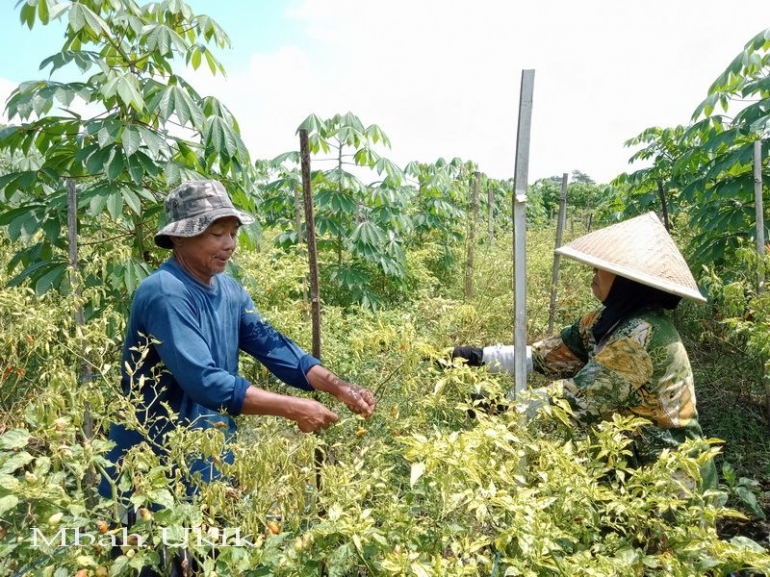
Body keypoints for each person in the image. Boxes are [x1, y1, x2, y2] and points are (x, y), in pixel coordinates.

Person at [100, 180, 376, 503]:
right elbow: (205, 382)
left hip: (209, 467)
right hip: (150, 475)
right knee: (156, 552)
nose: (229, 244)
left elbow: (273, 347)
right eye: (217, 234)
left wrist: (338, 386)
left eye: (233, 233)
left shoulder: (230, 290)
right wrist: (294, 408)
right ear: (179, 237)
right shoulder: (165, 292)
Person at [452, 212, 716, 489]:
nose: (593, 272)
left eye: (604, 267)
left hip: (672, 480)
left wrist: (499, 406)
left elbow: (576, 399)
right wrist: (476, 356)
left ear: (628, 280)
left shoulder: (642, 336)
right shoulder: (603, 322)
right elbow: (546, 357)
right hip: (629, 471)